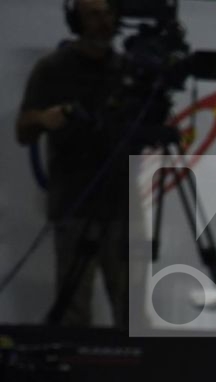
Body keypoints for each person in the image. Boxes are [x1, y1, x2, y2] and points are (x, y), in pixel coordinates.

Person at [15, 0, 130, 327]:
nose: (103, 22)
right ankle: (75, 375)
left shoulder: (127, 71)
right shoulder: (52, 68)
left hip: (122, 206)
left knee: (131, 307)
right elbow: (23, 130)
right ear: (75, 20)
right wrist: (44, 118)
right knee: (73, 308)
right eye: (93, 15)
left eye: (109, 13)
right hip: (74, 202)